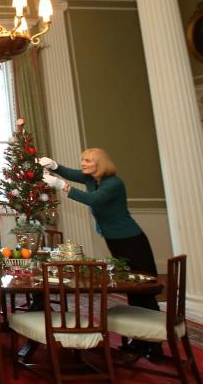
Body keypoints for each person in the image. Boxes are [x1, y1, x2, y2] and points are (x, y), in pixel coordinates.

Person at [40, 148, 162, 359]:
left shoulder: (113, 183)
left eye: (88, 160)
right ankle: (140, 341)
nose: (83, 164)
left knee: (143, 288)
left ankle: (155, 345)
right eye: (82, 160)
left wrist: (63, 186)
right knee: (131, 287)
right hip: (114, 239)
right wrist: (55, 166)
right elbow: (71, 173)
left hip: (131, 239)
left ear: (100, 163)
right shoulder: (91, 178)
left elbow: (93, 200)